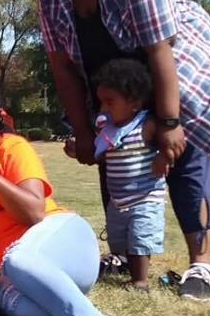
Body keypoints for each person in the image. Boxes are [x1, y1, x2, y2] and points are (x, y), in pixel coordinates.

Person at [28, 0, 210, 299]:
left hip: (174, 66)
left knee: (181, 155)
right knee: (114, 159)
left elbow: (160, 50)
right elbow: (62, 66)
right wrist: (86, 134)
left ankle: (202, 263)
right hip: (111, 81)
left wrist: (168, 122)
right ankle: (128, 256)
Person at [0, 65, 103, 316]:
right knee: (21, 308)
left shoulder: (9, 147)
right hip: (5, 277)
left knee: (17, 260)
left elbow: (33, 212)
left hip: (60, 244)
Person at [93, 59, 167, 291]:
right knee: (120, 241)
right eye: (101, 102)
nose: (103, 108)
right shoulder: (109, 129)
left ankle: (140, 281)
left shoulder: (147, 124)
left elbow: (169, 143)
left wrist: (164, 157)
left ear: (134, 103)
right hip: (118, 200)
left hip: (145, 197)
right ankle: (124, 266)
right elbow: (101, 152)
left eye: (110, 102)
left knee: (139, 240)